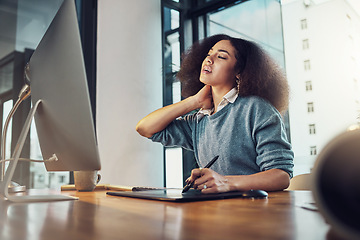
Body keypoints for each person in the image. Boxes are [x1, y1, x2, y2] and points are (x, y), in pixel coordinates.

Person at [136, 34, 294, 194]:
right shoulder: (200, 119)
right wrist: (193, 102)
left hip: (255, 209)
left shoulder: (256, 108)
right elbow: (145, 128)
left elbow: (281, 176)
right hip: (216, 210)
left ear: (239, 71)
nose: (209, 59)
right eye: (208, 54)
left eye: (221, 56)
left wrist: (225, 181)